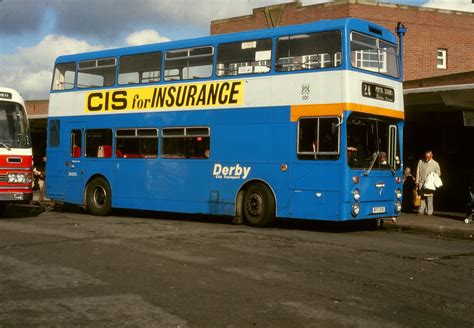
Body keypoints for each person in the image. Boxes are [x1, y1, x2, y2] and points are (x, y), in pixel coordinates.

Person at [416, 150, 441, 216]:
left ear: (431, 156)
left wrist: (433, 174)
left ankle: (429, 211)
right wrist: (417, 181)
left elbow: (439, 173)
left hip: (430, 183)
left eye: (428, 157)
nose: (426, 158)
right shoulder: (421, 161)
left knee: (429, 197)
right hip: (422, 181)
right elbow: (417, 172)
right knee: (422, 197)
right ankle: (421, 210)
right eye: (425, 157)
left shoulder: (435, 164)